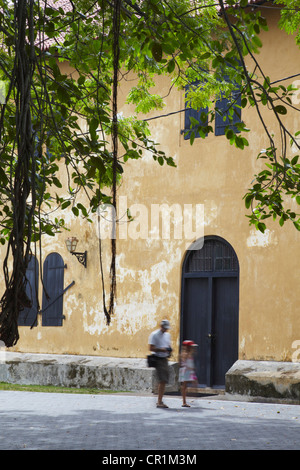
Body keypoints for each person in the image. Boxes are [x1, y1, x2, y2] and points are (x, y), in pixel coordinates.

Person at [148, 319, 172, 408]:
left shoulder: (167, 335)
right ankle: (159, 401)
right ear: (161, 326)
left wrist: (169, 350)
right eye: (164, 328)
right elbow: (151, 348)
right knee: (162, 379)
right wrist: (161, 349)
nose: (165, 330)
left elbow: (169, 345)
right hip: (158, 358)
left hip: (164, 358)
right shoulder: (154, 335)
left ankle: (159, 399)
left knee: (163, 380)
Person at [179, 340, 198, 407]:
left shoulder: (189, 353)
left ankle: (190, 394)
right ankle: (184, 401)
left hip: (189, 371)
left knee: (193, 383)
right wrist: (188, 368)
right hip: (186, 371)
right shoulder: (185, 354)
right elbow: (183, 362)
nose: (192, 348)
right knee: (184, 386)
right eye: (191, 347)